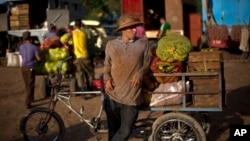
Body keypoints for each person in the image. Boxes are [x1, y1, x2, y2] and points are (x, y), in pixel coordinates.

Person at [103, 14, 152, 141]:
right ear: (123, 30)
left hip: (132, 96)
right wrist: (107, 78)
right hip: (112, 95)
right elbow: (107, 65)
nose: (135, 30)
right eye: (131, 28)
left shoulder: (143, 43)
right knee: (113, 131)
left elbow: (147, 63)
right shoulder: (111, 45)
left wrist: (140, 73)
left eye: (135, 27)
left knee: (125, 132)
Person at [19, 31, 41, 109]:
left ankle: (31, 98)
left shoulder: (21, 47)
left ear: (24, 38)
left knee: (26, 84)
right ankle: (28, 103)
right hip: (30, 67)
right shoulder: (34, 47)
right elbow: (38, 58)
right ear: (30, 38)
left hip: (23, 67)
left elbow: (22, 55)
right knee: (30, 85)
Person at [72, 19, 95, 91]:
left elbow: (65, 40)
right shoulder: (84, 33)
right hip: (85, 56)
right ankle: (91, 86)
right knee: (90, 72)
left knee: (79, 73)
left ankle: (81, 88)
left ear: (74, 26)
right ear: (81, 26)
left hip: (77, 57)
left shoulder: (72, 33)